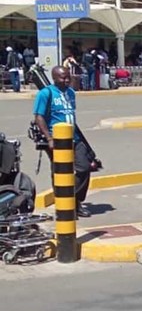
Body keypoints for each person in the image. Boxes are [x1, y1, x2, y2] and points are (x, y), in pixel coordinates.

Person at [32, 66, 93, 218]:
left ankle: (75, 201)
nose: (66, 80)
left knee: (84, 167)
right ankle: (64, 207)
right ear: (54, 78)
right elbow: (39, 117)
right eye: (62, 77)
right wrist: (49, 138)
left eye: (67, 77)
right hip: (56, 139)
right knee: (58, 172)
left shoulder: (71, 93)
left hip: (75, 138)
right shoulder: (46, 93)